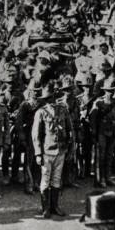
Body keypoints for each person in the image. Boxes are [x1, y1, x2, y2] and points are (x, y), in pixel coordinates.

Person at [31, 85, 74, 218]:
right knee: (45, 179)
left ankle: (55, 206)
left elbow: (70, 130)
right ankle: (45, 208)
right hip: (47, 151)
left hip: (60, 150)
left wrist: (70, 148)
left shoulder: (63, 110)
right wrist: (38, 153)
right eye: (48, 99)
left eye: (52, 98)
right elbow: (36, 134)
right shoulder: (41, 112)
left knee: (56, 179)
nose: (51, 101)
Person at [89, 78, 115, 188]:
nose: (110, 92)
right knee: (101, 156)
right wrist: (94, 132)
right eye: (108, 90)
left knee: (109, 155)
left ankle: (108, 177)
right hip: (102, 131)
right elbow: (92, 118)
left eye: (112, 90)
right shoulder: (98, 102)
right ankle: (100, 178)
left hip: (112, 131)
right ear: (104, 90)